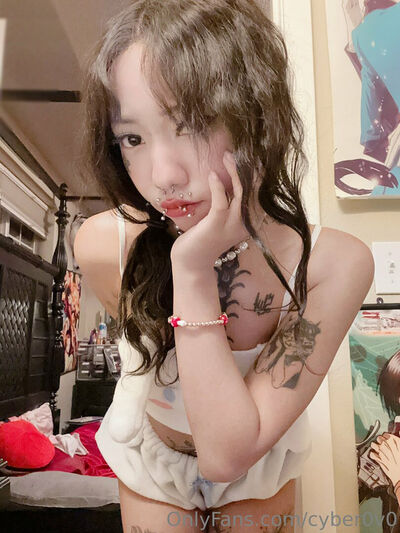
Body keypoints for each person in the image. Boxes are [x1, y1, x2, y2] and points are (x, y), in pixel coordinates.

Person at [73, 1, 375, 531]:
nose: (163, 175)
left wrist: (193, 271)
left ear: (256, 113)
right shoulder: (105, 245)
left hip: (257, 462)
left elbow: (227, 454)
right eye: (133, 138)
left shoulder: (330, 265)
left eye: (191, 125)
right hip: (151, 459)